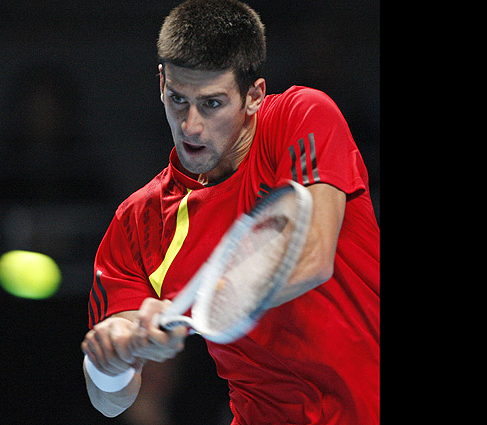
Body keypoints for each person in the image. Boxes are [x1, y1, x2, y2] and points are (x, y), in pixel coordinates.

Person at [81, 1, 380, 424]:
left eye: (212, 104)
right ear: (162, 83)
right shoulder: (139, 222)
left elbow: (312, 258)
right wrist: (114, 356)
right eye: (178, 100)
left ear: (254, 95)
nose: (190, 126)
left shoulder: (300, 116)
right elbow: (109, 400)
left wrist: (187, 312)